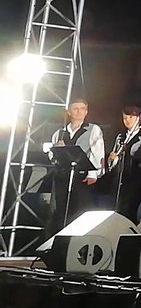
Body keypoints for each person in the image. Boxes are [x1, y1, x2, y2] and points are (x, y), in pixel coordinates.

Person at [45, 98, 105, 230]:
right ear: (69, 112)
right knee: (61, 210)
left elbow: (97, 152)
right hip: (62, 176)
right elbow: (51, 155)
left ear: (86, 111)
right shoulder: (59, 133)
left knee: (80, 209)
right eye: (75, 109)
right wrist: (57, 151)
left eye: (82, 109)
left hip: (82, 176)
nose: (79, 112)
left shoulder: (93, 129)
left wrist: (93, 174)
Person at [109, 105, 141, 223]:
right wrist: (113, 159)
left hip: (135, 179)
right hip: (120, 179)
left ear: (139, 118)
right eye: (124, 118)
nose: (127, 120)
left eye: (130, 117)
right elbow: (114, 160)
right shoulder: (121, 137)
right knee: (117, 211)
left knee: (129, 211)